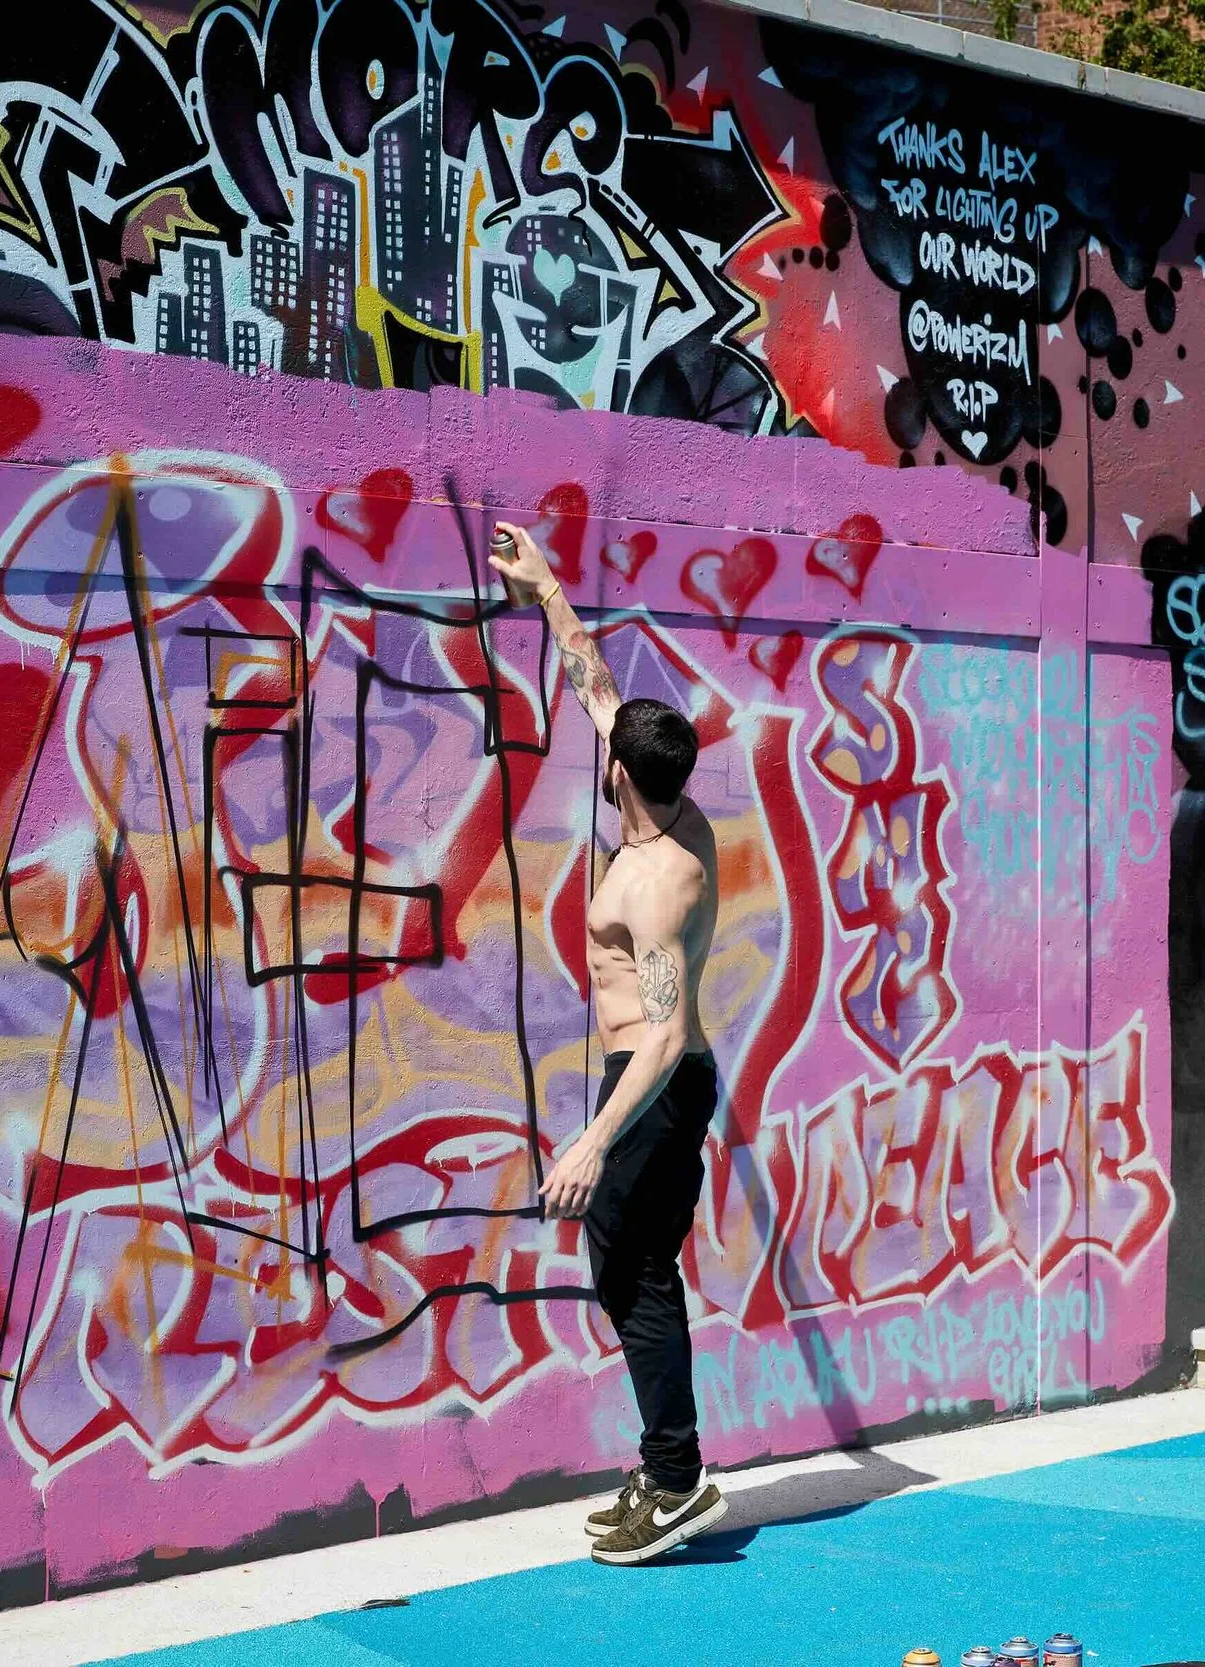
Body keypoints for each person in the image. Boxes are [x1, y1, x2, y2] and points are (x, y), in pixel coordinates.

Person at [489, 520, 729, 1567]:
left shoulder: (656, 881)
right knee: (626, 1269)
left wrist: (593, 1140)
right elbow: (599, 690)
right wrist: (546, 588)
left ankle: (675, 1480)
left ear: (620, 776)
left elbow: (666, 1032)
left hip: (654, 1082)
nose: (601, 743)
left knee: (635, 1276)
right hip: (643, 1079)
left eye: (609, 750)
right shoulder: (666, 806)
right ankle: (666, 1465)